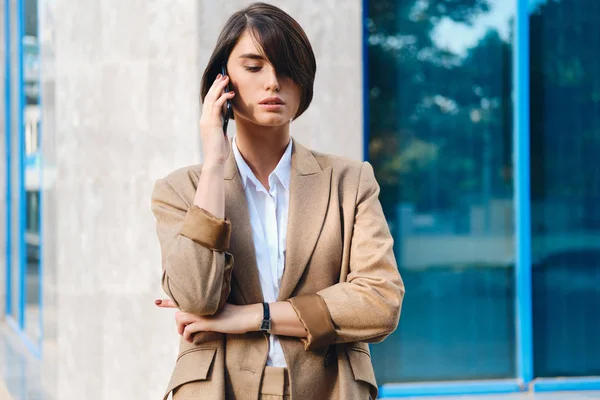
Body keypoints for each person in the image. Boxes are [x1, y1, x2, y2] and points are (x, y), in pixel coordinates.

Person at [151, 3, 404, 399]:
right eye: (254, 67)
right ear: (223, 81)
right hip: (221, 388)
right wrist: (215, 162)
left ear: (303, 83)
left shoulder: (349, 181)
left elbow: (380, 300)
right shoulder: (181, 190)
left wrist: (254, 316)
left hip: (330, 387)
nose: (273, 82)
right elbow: (198, 297)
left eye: (286, 69)